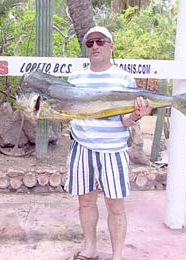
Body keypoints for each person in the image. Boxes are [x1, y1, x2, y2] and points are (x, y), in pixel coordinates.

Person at [64, 26, 152, 260]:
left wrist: (136, 115)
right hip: (81, 148)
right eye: (90, 43)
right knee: (85, 202)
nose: (94, 46)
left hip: (113, 151)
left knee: (115, 206)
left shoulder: (124, 78)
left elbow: (125, 121)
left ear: (110, 46)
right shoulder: (74, 79)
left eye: (100, 42)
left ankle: (117, 255)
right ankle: (89, 248)